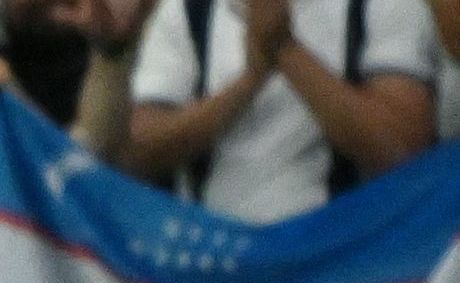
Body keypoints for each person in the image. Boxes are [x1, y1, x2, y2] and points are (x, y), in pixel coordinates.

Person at [117, 0, 436, 224]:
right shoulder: (187, 10)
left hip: (342, 264)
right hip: (216, 267)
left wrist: (285, 49)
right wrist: (248, 82)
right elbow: (138, 153)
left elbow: (406, 152)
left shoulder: (382, 4)